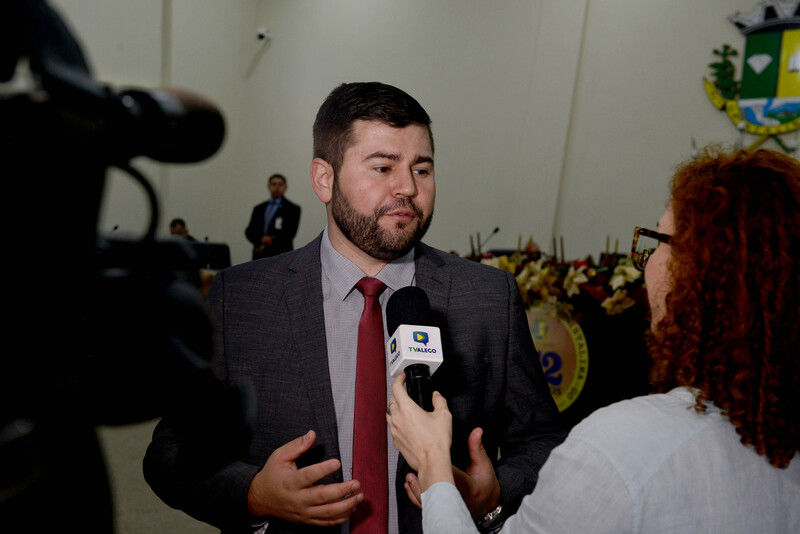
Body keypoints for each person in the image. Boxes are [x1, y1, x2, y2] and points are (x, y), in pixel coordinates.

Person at [143, 82, 564, 534]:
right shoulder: (241, 298)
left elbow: (542, 441)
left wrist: (493, 495)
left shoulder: (487, 296)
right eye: (383, 167)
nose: (408, 187)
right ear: (324, 179)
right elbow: (172, 451)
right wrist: (254, 494)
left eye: (422, 169)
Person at [386, 147, 800, 533]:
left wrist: (433, 462)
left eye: (659, 241)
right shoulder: (776, 432)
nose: (646, 266)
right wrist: (483, 508)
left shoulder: (620, 447)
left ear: (701, 272)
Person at [245, 173, 301, 259]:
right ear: (268, 186)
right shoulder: (259, 208)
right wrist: (260, 241)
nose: (277, 187)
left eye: (280, 185)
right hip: (259, 254)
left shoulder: (292, 209)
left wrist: (271, 240)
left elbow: (290, 233)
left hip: (280, 255)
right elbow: (250, 231)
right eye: (274, 184)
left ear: (285, 187)